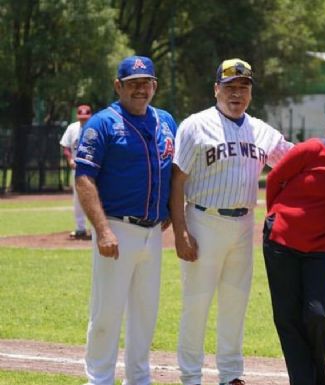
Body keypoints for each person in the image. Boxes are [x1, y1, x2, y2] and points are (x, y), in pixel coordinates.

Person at [170, 58, 293, 385]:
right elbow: (177, 180)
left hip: (242, 225)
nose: (236, 93)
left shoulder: (261, 130)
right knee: (196, 305)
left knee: (235, 303)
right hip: (203, 219)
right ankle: (191, 377)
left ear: (250, 92)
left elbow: (297, 161)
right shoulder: (195, 125)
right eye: (230, 87)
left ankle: (230, 375)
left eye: (243, 86)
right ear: (216, 89)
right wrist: (180, 231)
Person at [74, 55, 177, 385]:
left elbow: (172, 172)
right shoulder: (102, 123)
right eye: (132, 83)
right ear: (119, 86)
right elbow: (84, 178)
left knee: (145, 314)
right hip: (116, 228)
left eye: (146, 83)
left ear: (155, 86)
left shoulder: (165, 121)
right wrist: (102, 229)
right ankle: (99, 379)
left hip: (153, 231)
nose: (140, 89)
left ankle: (139, 379)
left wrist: (172, 212)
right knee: (106, 313)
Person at [262, 97, 325, 385]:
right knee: (288, 317)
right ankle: (305, 380)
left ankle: (314, 374)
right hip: (281, 240)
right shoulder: (311, 149)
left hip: (319, 246)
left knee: (318, 315)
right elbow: (274, 180)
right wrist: (277, 218)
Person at [60, 104, 93, 240]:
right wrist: (69, 159)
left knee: (97, 198)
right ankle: (80, 229)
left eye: (86, 118)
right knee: (78, 200)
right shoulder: (72, 128)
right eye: (81, 118)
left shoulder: (97, 127)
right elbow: (65, 146)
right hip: (78, 169)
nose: (83, 120)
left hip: (94, 169)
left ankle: (97, 229)